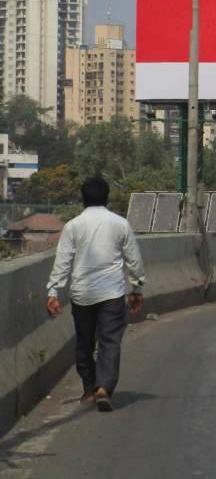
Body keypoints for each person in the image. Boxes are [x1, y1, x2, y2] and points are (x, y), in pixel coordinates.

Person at [45, 176, 145, 412]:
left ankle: (89, 389)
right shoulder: (120, 224)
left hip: (82, 294)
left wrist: (53, 291)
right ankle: (104, 387)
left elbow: (63, 261)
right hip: (112, 293)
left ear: (83, 198)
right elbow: (134, 260)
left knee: (84, 342)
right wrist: (137, 289)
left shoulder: (73, 226)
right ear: (107, 197)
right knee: (110, 342)